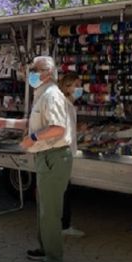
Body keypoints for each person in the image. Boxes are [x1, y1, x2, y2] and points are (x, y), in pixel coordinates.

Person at [0, 56, 74, 262]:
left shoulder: (51, 95)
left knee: (50, 211)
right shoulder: (44, 94)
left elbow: (57, 128)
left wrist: (33, 138)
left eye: (34, 70)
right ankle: (45, 248)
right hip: (47, 157)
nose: (30, 74)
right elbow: (36, 122)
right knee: (44, 208)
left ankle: (55, 260)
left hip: (54, 156)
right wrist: (6, 122)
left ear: (46, 72)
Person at [58, 73, 85, 238]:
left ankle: (63, 224)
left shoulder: (69, 105)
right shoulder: (65, 105)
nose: (79, 88)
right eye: (76, 85)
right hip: (63, 153)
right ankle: (63, 225)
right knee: (64, 191)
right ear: (67, 87)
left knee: (65, 190)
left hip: (67, 152)